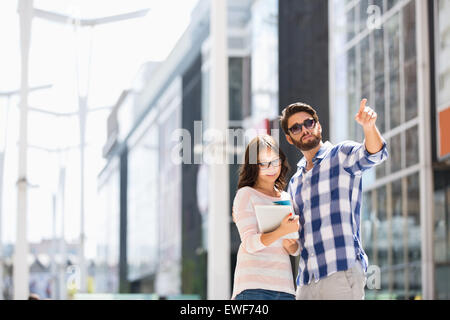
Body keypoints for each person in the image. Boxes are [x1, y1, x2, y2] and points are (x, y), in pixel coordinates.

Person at [280, 99, 388, 300]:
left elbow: (374, 154)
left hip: (341, 271)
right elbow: (297, 242)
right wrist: (289, 244)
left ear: (318, 125)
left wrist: (369, 127)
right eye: (296, 128)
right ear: (289, 138)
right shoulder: (295, 182)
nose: (304, 129)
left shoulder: (341, 155)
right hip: (306, 282)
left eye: (308, 123)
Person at [231, 134, 300, 300]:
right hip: (253, 287)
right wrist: (280, 230)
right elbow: (249, 244)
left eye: (275, 161)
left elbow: (295, 249)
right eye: (263, 163)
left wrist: (292, 245)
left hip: (285, 288)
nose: (271, 168)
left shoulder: (285, 197)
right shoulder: (246, 194)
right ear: (253, 166)